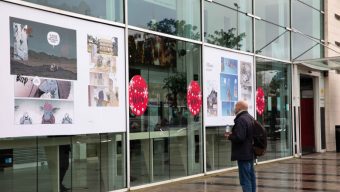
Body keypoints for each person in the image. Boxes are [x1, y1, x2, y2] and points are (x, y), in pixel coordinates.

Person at [225, 101, 256, 192]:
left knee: (245, 179)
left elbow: (240, 137)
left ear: (239, 108)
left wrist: (230, 136)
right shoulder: (250, 118)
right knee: (251, 177)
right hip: (250, 152)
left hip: (243, 154)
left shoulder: (241, 119)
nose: (234, 108)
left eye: (235, 106)